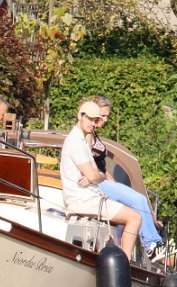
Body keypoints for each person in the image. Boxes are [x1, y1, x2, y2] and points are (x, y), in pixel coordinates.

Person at [88, 97, 172, 263]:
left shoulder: (94, 135)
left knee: (135, 201)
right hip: (95, 183)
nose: (105, 120)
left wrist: (112, 181)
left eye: (107, 116)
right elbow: (88, 165)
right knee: (138, 200)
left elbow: (100, 165)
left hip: (102, 180)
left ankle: (145, 245)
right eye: (102, 116)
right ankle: (152, 245)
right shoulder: (86, 135)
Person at [59, 100, 143, 259]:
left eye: (95, 120)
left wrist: (96, 176)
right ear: (80, 116)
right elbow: (93, 175)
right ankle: (125, 263)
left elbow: (95, 174)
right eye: (90, 119)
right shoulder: (75, 142)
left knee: (128, 214)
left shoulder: (82, 140)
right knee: (135, 217)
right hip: (83, 200)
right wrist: (97, 176)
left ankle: (119, 258)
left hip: (91, 197)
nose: (93, 123)